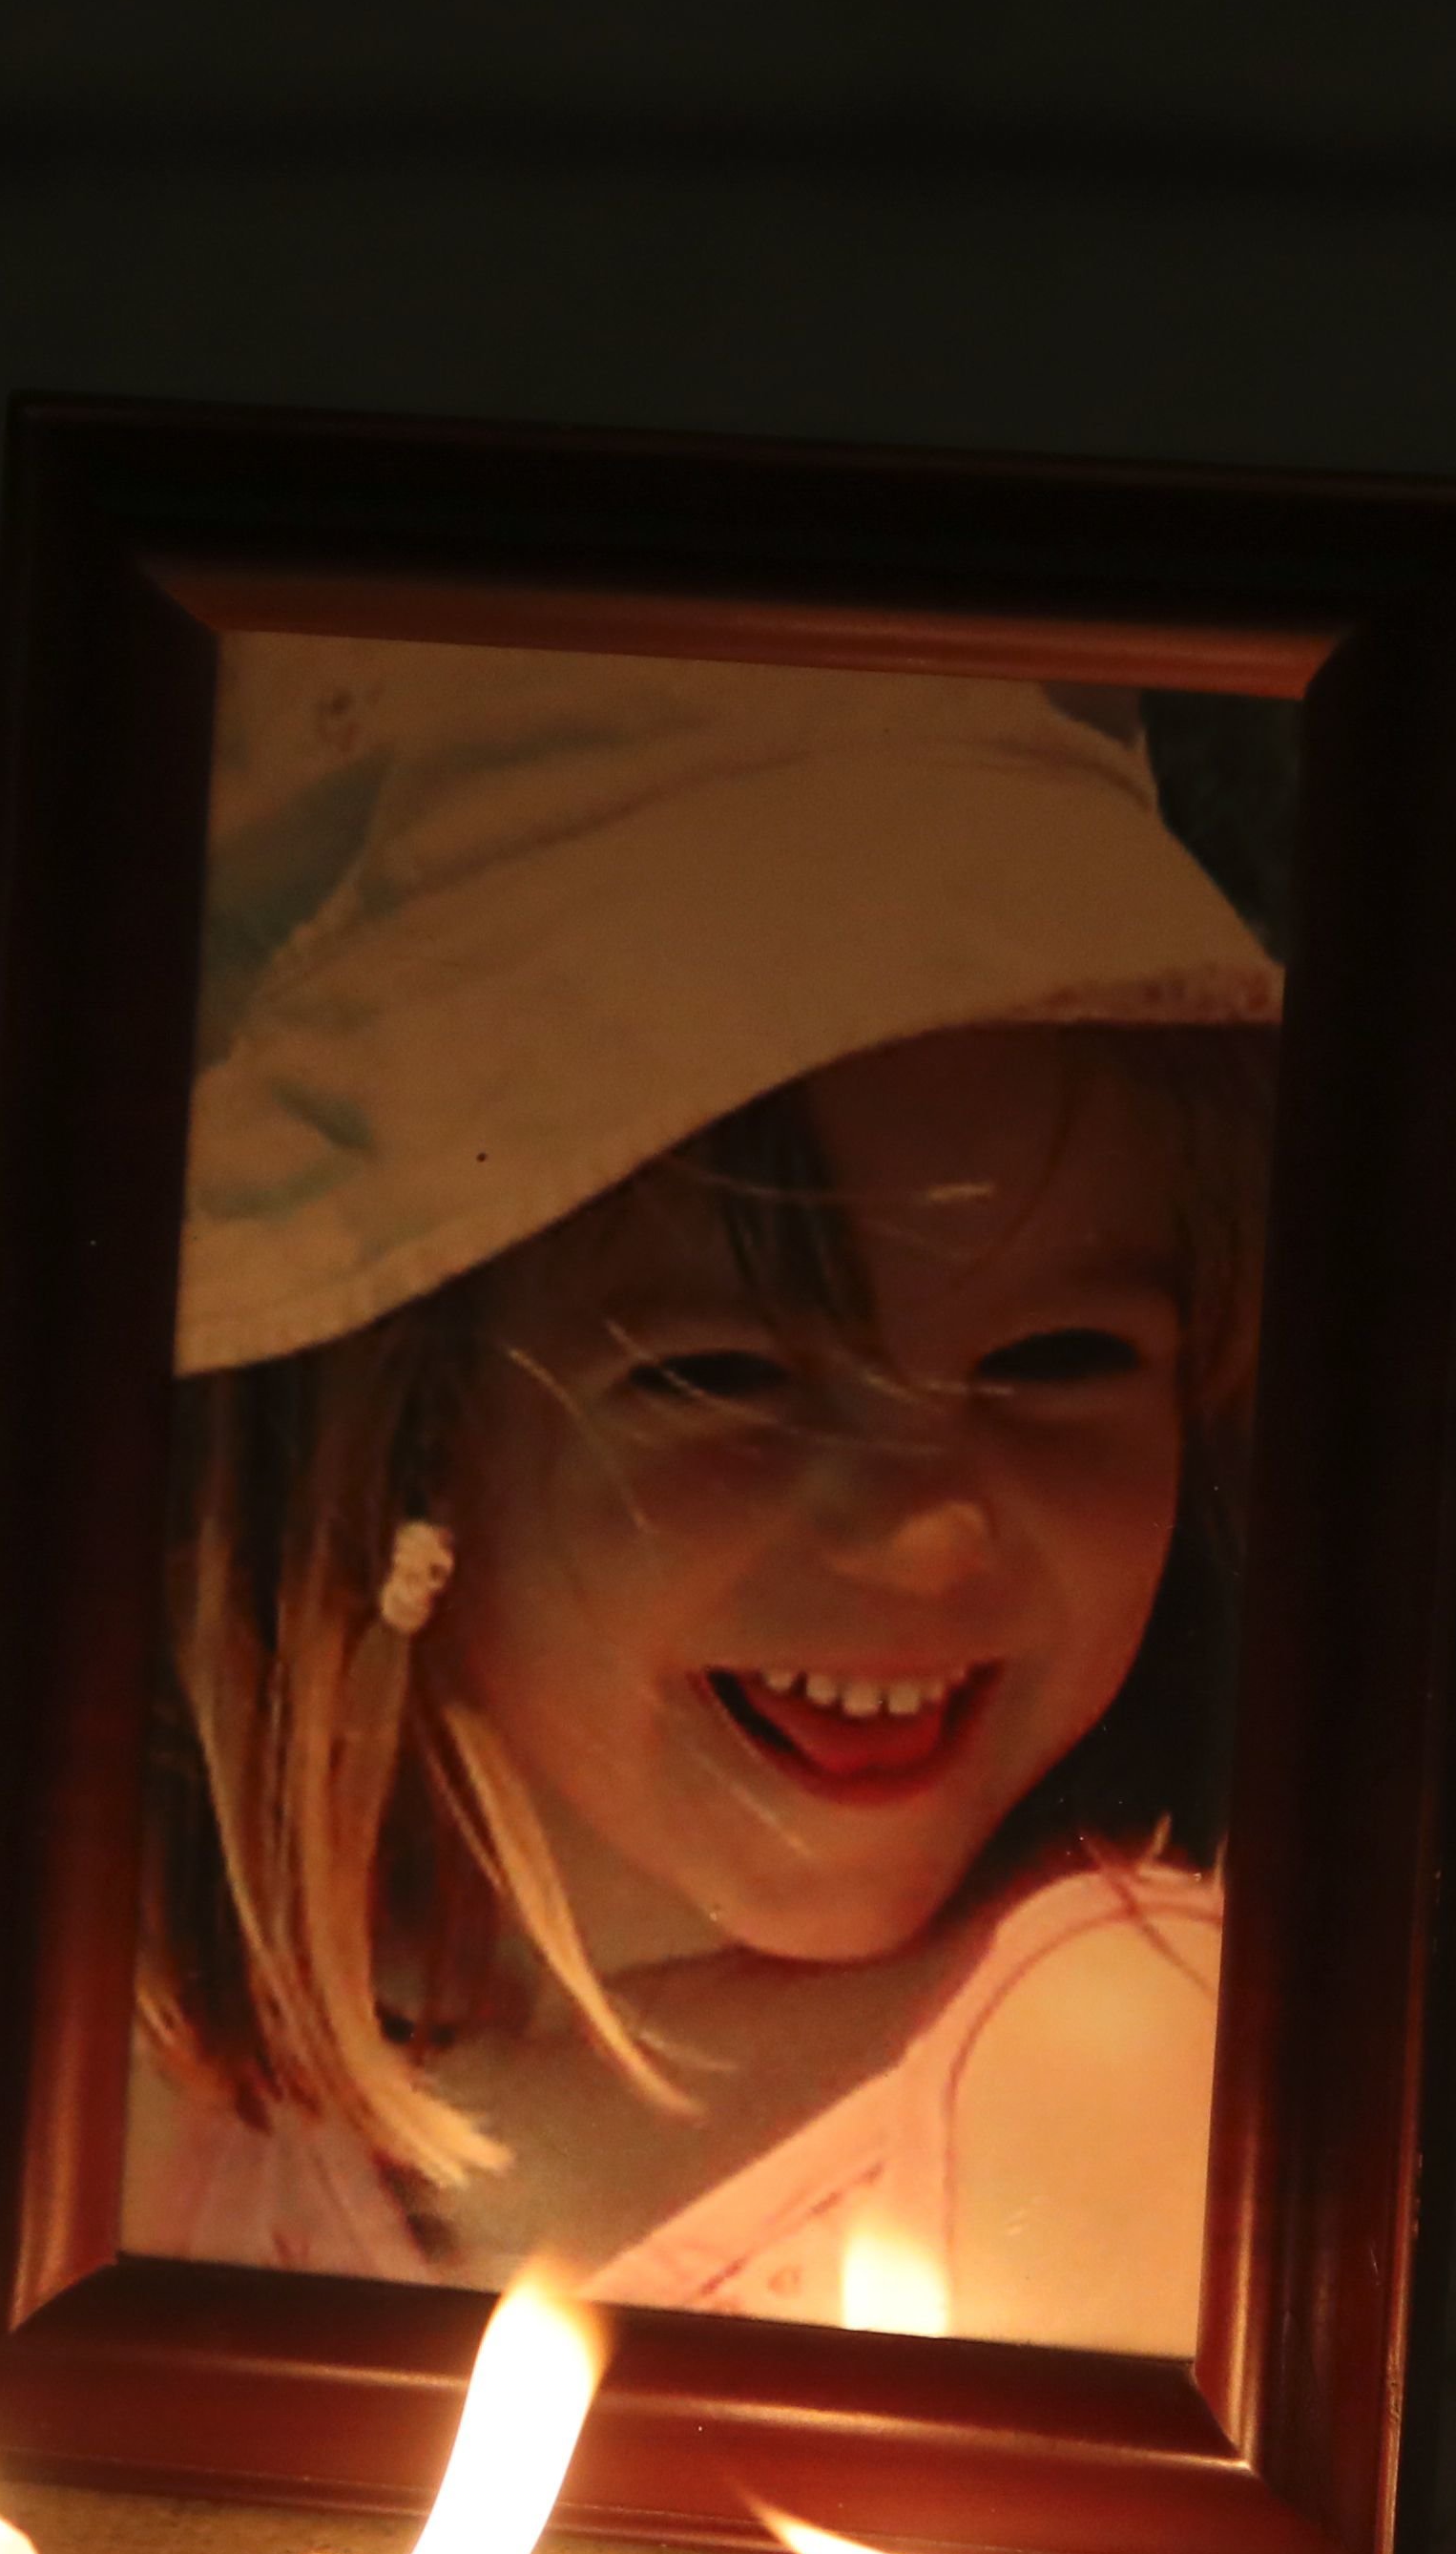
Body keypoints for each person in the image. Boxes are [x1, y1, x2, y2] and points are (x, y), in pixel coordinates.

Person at [120, 631, 1280, 2355]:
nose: (931, 1532)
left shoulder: (1106, 2071)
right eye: (722, 1376)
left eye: (1056, 1360)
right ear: (404, 1439)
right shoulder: (172, 2070)